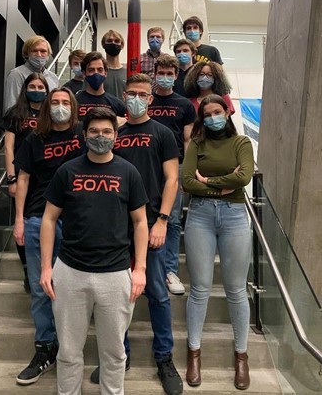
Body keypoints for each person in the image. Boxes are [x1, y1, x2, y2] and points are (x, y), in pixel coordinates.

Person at [40, 107, 149, 395]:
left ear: (116, 135)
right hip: (71, 273)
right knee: (68, 351)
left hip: (115, 275)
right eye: (94, 131)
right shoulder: (67, 171)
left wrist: (140, 269)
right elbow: (49, 219)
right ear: (84, 135)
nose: (100, 136)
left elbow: (140, 223)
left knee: (114, 354)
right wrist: (46, 268)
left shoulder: (129, 172)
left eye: (106, 132)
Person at [91, 73, 183, 395]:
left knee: (157, 294)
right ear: (124, 95)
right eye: (131, 93)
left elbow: (172, 180)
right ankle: (121, 355)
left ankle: (164, 359)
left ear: (151, 99)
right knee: (116, 296)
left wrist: (162, 221)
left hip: (151, 225)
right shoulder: (115, 133)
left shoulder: (162, 133)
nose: (136, 98)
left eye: (142, 94)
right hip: (117, 228)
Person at [13, 87, 85, 386]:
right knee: (41, 288)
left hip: (76, 221)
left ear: (74, 106)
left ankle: (69, 348)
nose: (59, 107)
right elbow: (24, 178)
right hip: (36, 217)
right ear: (46, 107)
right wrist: (18, 219)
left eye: (64, 102)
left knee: (71, 288)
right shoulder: (34, 139)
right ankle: (45, 348)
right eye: (54, 102)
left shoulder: (84, 134)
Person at [181, 94, 253, 390]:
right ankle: (194, 354)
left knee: (236, 289)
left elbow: (245, 177)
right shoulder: (197, 144)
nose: (212, 117)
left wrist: (208, 183)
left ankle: (241, 356)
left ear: (227, 112)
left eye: (217, 112)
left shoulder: (242, 143)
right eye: (207, 114)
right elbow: (187, 180)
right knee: (199, 289)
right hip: (199, 216)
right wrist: (221, 186)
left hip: (235, 216)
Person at [148, 55, 196, 295]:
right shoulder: (146, 100)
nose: (165, 77)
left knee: (173, 219)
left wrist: (186, 171)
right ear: (154, 74)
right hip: (146, 163)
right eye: (161, 73)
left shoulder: (185, 105)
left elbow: (187, 139)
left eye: (170, 74)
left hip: (174, 165)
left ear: (176, 76)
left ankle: (169, 271)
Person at [0, 72, 49, 292]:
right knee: (22, 224)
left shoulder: (51, 113)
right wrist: (11, 177)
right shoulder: (15, 114)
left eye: (41, 87)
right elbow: (8, 147)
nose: (37, 90)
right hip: (21, 175)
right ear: (25, 88)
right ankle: (28, 267)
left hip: (45, 177)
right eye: (33, 86)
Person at [4, 35, 59, 111]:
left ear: (48, 54)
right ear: (27, 53)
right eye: (34, 51)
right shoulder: (16, 74)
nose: (39, 55)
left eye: (43, 51)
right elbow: (11, 106)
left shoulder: (53, 78)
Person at [76, 51, 126, 119]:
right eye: (91, 70)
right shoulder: (74, 102)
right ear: (84, 73)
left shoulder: (117, 105)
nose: (96, 73)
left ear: (105, 73)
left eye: (100, 70)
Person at [102, 29, 127, 100]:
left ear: (122, 45)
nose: (113, 43)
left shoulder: (128, 73)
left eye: (117, 41)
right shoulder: (98, 72)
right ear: (103, 45)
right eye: (109, 41)